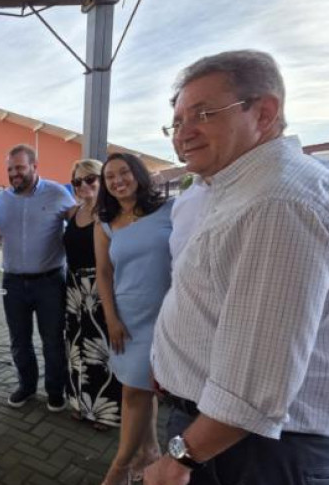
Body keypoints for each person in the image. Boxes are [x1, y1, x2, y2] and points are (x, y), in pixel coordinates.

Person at [145, 50, 329, 485]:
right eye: (177, 122)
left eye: (203, 114)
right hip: (225, 435)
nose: (183, 133)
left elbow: (255, 385)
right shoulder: (237, 188)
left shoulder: (275, 201)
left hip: (250, 448)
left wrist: (179, 460)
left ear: (264, 113)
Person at [94, 153, 173, 485]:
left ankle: (121, 466)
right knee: (136, 388)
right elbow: (103, 273)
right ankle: (147, 452)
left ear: (138, 174)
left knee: (138, 391)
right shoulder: (105, 223)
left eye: (124, 172)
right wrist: (111, 318)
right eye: (110, 177)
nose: (118, 181)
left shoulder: (169, 211)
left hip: (166, 315)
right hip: (127, 320)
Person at [0, 144, 74, 411]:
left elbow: (80, 223)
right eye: (10, 169)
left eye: (20, 168)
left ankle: (55, 390)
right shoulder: (3, 199)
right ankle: (26, 386)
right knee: (19, 340)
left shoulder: (57, 193)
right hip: (13, 282)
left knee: (53, 340)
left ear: (34, 167)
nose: (14, 173)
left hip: (50, 281)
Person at [62, 158, 122, 431]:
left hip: (100, 288)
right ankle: (79, 403)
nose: (83, 185)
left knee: (101, 351)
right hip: (74, 289)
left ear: (101, 181)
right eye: (77, 181)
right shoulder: (73, 212)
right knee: (76, 348)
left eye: (90, 179)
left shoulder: (111, 214)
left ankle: (105, 413)